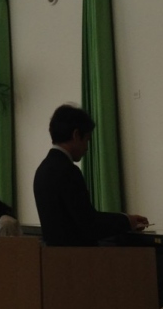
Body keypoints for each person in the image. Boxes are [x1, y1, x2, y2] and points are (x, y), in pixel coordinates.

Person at [33, 104, 148, 246]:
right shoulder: (68, 171)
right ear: (76, 135)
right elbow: (89, 224)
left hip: (54, 255)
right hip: (78, 256)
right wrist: (127, 221)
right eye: (87, 139)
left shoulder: (42, 170)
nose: (87, 148)